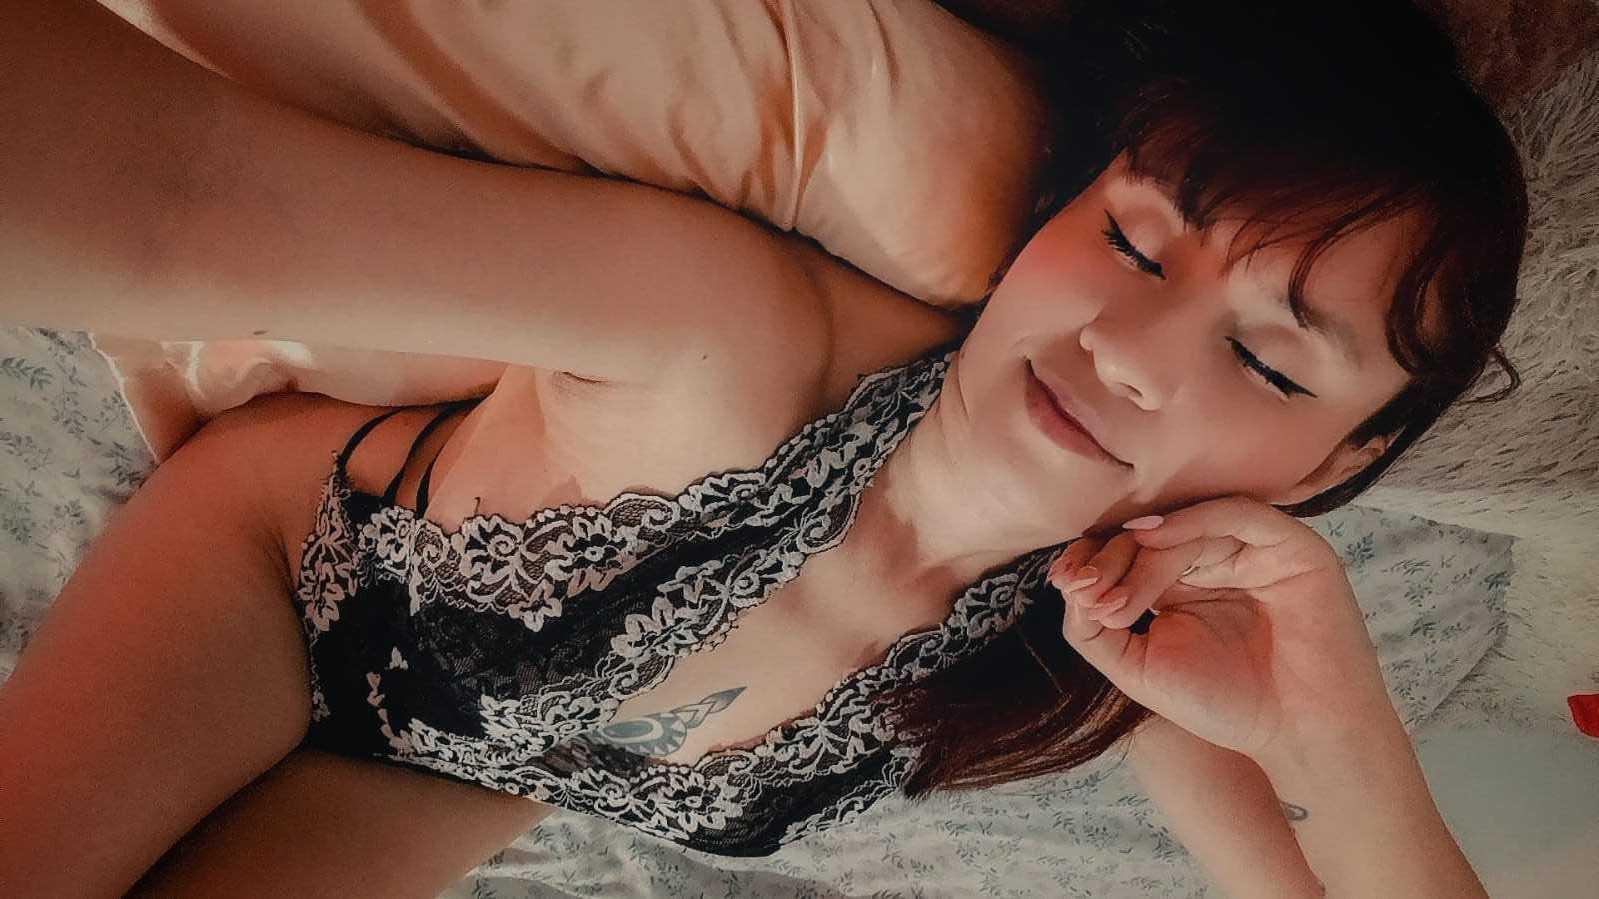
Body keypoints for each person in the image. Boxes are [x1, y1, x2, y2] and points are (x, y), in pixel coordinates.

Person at [0, 0, 1526, 896]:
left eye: (1264, 358)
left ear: (1329, 465)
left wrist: (1340, 733)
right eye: (1132, 242)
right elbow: (180, 202)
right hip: (280, 590)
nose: (1125, 348)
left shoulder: (1121, 640)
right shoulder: (724, 345)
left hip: (445, 778)